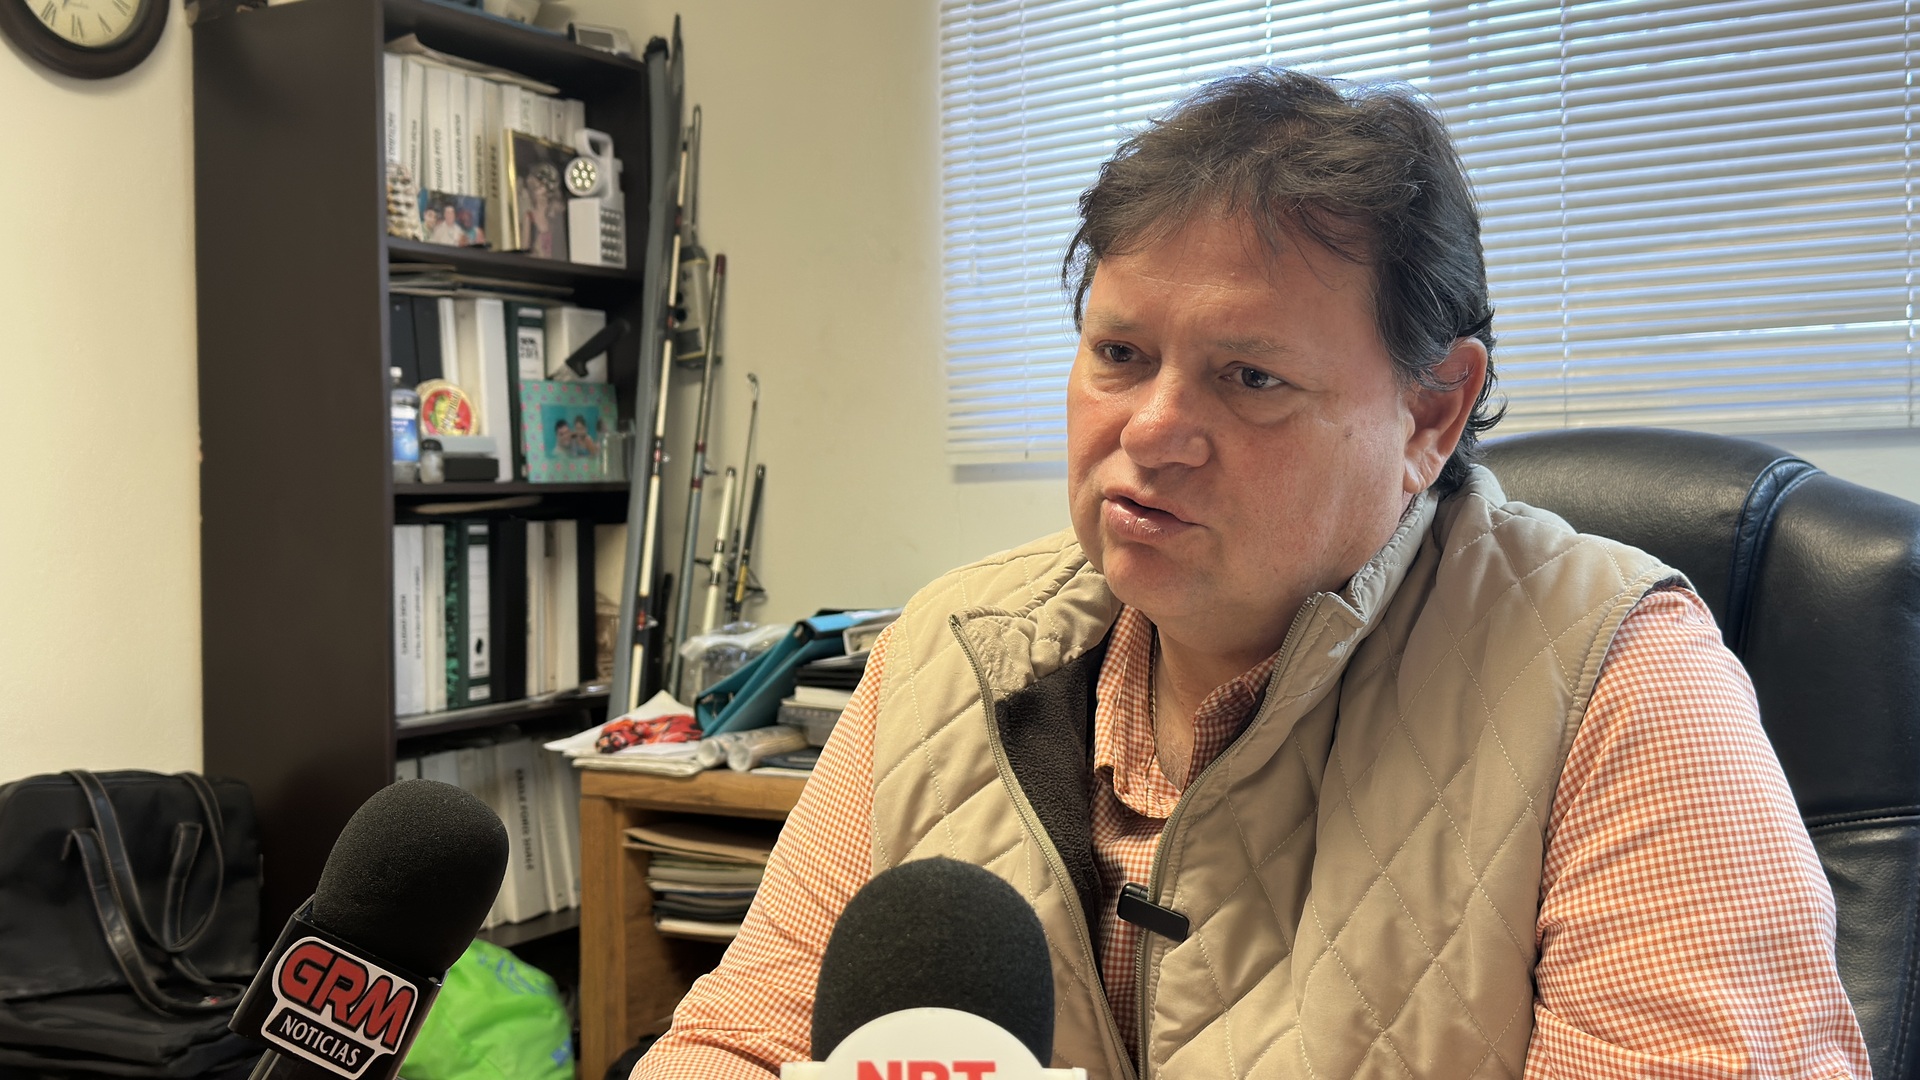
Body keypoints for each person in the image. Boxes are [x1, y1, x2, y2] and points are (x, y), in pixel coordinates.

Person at [636, 69, 1870, 1079]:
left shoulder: (1620, 688)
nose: (1151, 430)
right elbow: (738, 1044)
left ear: (1431, 414)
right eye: (1120, 353)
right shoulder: (945, 653)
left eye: (1251, 377)